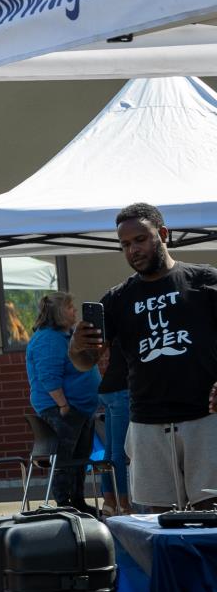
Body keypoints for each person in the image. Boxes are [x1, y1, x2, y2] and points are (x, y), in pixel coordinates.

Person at [70, 202, 217, 510]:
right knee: (158, 519)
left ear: (162, 234)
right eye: (125, 245)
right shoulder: (117, 299)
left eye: (140, 240)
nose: (132, 250)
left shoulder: (203, 280)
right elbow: (85, 362)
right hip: (147, 423)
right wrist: (78, 346)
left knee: (211, 513)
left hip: (205, 418)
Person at [27, 292, 99, 509]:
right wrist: (63, 406)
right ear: (59, 312)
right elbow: (48, 377)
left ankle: (77, 501)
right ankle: (64, 503)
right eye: (70, 307)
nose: (75, 311)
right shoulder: (48, 339)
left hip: (80, 409)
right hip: (63, 409)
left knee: (79, 459)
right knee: (64, 459)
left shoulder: (65, 336)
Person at [99, 344, 132, 515]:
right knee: (118, 452)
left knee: (110, 450)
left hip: (108, 387)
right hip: (121, 389)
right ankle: (124, 504)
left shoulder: (119, 325)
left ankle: (109, 502)